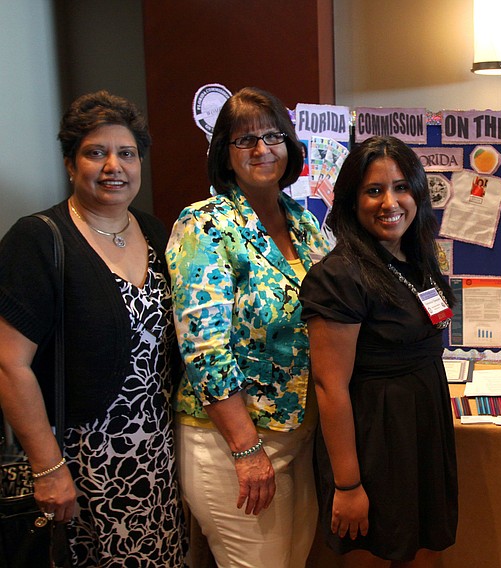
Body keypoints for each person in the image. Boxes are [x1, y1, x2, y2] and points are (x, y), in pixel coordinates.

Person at [0, 91, 187, 566]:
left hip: (160, 457)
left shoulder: (156, 234)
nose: (113, 166)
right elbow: (9, 364)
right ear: (69, 163)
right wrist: (47, 467)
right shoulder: (39, 240)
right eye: (95, 152)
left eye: (126, 153)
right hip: (82, 463)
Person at [167, 86, 329, 567]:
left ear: (290, 145)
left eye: (273, 135)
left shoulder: (303, 223)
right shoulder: (206, 224)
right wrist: (246, 449)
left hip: (299, 433)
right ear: (225, 154)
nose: (262, 149)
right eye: (245, 140)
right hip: (232, 442)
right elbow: (204, 349)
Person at [299, 136, 458, 567]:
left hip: (420, 427)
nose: (391, 202)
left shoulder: (416, 257)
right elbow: (329, 386)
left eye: (402, 187)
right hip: (374, 441)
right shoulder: (338, 276)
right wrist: (348, 485)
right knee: (376, 551)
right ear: (352, 201)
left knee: (416, 550)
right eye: (374, 190)